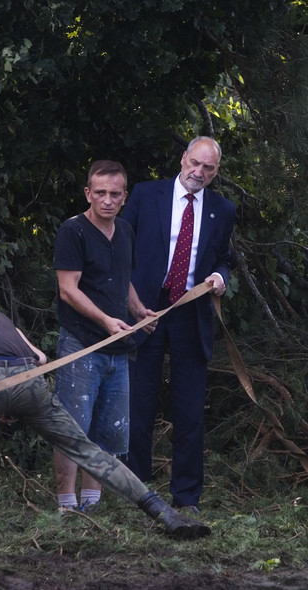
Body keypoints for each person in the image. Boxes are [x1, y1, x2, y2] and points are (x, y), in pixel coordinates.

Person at [0, 286, 210, 539]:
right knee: (86, 450)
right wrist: (12, 399)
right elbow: (38, 357)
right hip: (31, 383)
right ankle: (163, 513)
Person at [122, 137, 236, 512]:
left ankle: (187, 497)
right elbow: (121, 249)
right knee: (139, 402)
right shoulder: (144, 194)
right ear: (183, 158)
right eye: (195, 164)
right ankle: (137, 491)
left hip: (191, 313)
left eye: (208, 168)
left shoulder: (223, 209)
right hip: (145, 311)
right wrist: (134, 305)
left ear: (216, 172)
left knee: (189, 411)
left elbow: (223, 258)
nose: (198, 173)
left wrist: (220, 277)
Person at [53, 160, 151, 513]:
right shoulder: (73, 231)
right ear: (88, 194)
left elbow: (121, 279)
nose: (107, 200)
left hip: (118, 347)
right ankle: (66, 505)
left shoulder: (124, 230)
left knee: (107, 431)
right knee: (71, 429)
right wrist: (108, 320)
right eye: (100, 193)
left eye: (114, 194)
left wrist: (138, 311)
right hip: (81, 343)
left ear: (124, 196)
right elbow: (68, 290)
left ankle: (91, 506)